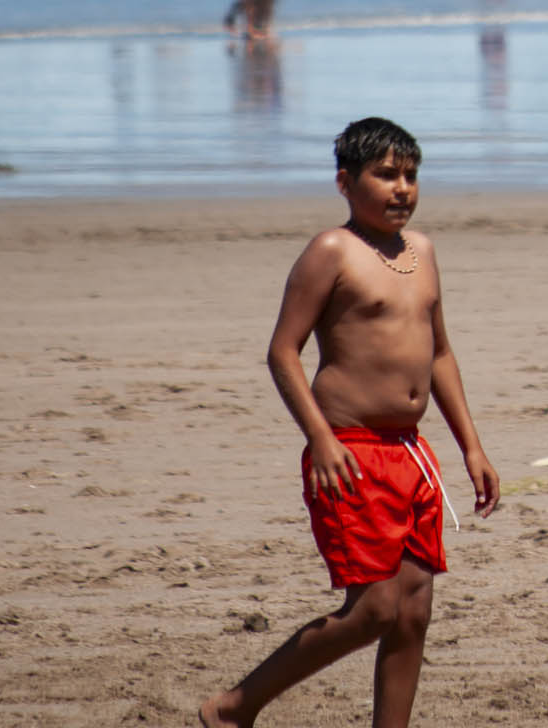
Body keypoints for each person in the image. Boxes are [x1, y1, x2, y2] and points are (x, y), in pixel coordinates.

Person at [197, 117, 501, 728]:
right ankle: (236, 706)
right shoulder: (331, 251)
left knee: (413, 610)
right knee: (373, 611)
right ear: (345, 182)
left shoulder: (424, 252)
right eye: (385, 175)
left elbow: (439, 352)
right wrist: (320, 438)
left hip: (411, 452)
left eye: (411, 176)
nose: (402, 189)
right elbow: (284, 351)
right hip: (352, 452)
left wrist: (472, 445)